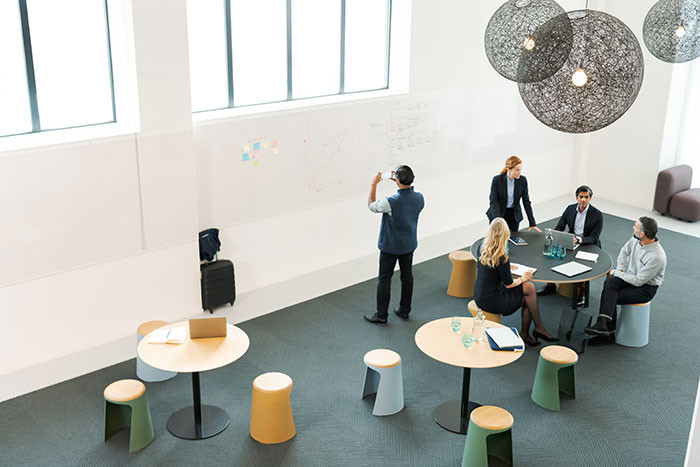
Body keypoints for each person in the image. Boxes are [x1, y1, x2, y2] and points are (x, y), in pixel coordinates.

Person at [474, 218, 557, 346]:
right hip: (493, 300)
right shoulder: (501, 257)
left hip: (480, 295)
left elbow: (491, 267)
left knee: (529, 290)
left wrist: (508, 266)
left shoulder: (483, 247)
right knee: (529, 294)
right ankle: (534, 329)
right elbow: (509, 284)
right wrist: (525, 277)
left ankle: (534, 329)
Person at [584, 216, 667, 343]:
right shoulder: (636, 238)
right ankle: (603, 325)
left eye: (635, 226)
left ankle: (606, 333)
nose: (633, 227)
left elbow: (638, 281)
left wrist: (616, 273)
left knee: (611, 295)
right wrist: (620, 270)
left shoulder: (657, 257)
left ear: (642, 233)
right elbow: (624, 251)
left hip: (645, 288)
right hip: (630, 277)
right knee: (610, 282)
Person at [364, 165, 425, 325]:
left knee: (385, 279)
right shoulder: (419, 198)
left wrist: (373, 184)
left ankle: (381, 315)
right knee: (407, 276)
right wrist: (398, 181)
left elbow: (371, 205)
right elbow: (407, 199)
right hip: (408, 244)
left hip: (391, 247)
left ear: (396, 180)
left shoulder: (389, 202)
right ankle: (404, 310)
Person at [538, 185, 604, 297]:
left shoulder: (597, 214)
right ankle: (550, 285)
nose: (583, 200)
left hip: (588, 244)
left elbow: (594, 237)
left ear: (590, 198)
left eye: (586, 197)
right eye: (581, 196)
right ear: (576, 197)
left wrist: (578, 239)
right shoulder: (570, 209)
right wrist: (554, 237)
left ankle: (582, 293)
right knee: (552, 255)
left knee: (582, 266)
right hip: (570, 241)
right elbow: (560, 227)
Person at [486, 155, 541, 234]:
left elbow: (526, 202)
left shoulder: (522, 180)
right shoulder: (497, 180)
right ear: (508, 169)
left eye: (520, 170)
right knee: (498, 238)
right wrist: (499, 221)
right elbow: (493, 202)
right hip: (498, 214)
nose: (519, 172)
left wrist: (532, 222)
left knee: (513, 239)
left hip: (513, 215)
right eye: (517, 170)